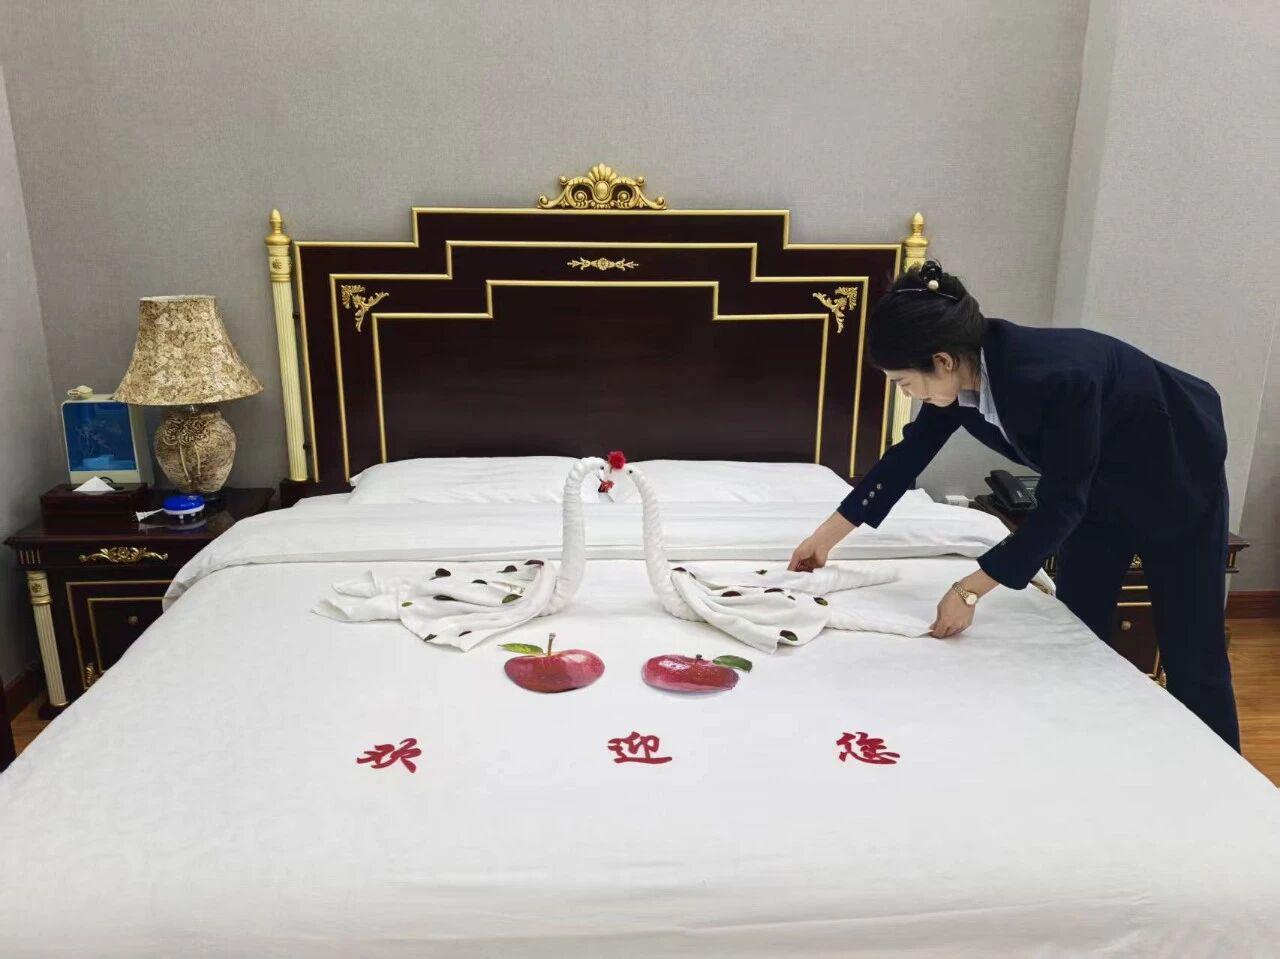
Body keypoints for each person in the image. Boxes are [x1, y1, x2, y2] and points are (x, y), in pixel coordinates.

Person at [788, 260, 1239, 749]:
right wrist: (824, 538)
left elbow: (1061, 505)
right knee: (1078, 630)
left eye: (903, 382)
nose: (907, 393)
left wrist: (968, 590)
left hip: (1177, 482)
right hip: (1093, 491)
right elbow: (906, 456)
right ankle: (1087, 745)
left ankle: (1227, 777)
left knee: (1192, 653)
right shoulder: (958, 382)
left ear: (942, 361)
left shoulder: (1059, 377)